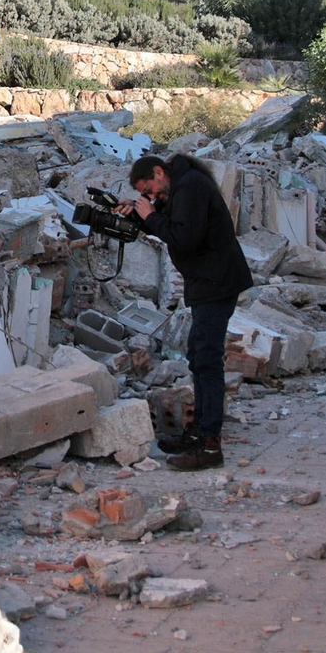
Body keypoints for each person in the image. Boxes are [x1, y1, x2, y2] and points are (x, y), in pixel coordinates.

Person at [118, 153, 253, 470]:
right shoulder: (180, 187)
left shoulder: (190, 186)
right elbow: (171, 226)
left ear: (159, 172)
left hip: (216, 283)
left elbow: (185, 238)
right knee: (198, 355)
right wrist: (139, 215)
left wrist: (151, 216)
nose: (150, 195)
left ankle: (209, 445)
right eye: (145, 194)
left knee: (207, 359)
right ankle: (198, 433)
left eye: (148, 188)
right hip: (208, 282)